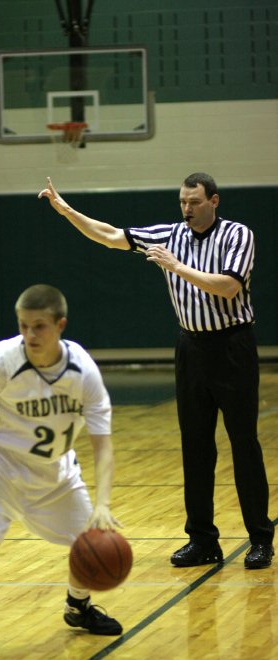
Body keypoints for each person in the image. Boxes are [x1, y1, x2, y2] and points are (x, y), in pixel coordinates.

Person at [39, 173, 275, 570]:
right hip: (192, 349)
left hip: (233, 348)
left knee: (244, 444)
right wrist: (66, 211)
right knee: (195, 446)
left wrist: (176, 266)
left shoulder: (238, 235)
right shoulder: (169, 233)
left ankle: (260, 540)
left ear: (213, 201)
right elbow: (111, 235)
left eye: (195, 202)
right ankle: (202, 541)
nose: (187, 208)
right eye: (183, 201)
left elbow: (229, 287)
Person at [0, 284, 123, 648]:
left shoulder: (83, 372)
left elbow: (102, 444)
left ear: (60, 325)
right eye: (23, 325)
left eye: (39, 326)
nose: (30, 334)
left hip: (57, 474)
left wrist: (104, 504)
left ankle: (78, 607)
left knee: (90, 547)